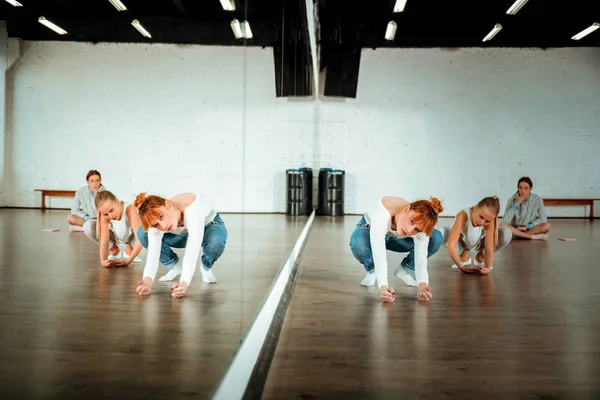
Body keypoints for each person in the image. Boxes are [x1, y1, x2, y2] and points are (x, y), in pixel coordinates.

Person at [350, 196, 443, 303]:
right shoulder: (382, 214)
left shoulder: (421, 225)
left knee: (436, 237)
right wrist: (384, 287)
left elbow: (421, 258)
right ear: (406, 210)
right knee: (358, 242)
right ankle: (373, 270)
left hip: (397, 239)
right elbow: (379, 253)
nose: (409, 230)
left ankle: (404, 269)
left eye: (416, 229)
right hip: (369, 230)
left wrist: (423, 287)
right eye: (411, 221)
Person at [133, 192, 227, 298]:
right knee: (143, 232)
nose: (163, 226)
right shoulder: (158, 218)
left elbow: (192, 250)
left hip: (210, 227)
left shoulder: (193, 210)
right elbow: (153, 254)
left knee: (216, 241)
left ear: (168, 205)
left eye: (161, 217)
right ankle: (174, 265)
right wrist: (147, 282)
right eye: (156, 224)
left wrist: (183, 283)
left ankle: (206, 266)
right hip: (183, 233)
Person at [442, 196, 512, 275]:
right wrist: (461, 267)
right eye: (481, 217)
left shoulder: (489, 220)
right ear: (475, 207)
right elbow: (451, 245)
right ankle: (463, 256)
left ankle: (481, 257)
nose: (482, 223)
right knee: (441, 232)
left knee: (506, 233)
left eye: (487, 221)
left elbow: (489, 247)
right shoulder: (463, 215)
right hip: (461, 243)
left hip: (479, 244)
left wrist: (487, 267)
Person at [93, 190, 143, 267]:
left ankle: (130, 250)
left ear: (117, 201)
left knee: (144, 225)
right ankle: (114, 251)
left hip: (129, 237)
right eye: (105, 214)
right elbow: (104, 242)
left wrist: (128, 261)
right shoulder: (105, 215)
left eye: (111, 210)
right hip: (116, 237)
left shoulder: (130, 209)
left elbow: (140, 240)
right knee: (89, 226)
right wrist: (103, 260)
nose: (110, 216)